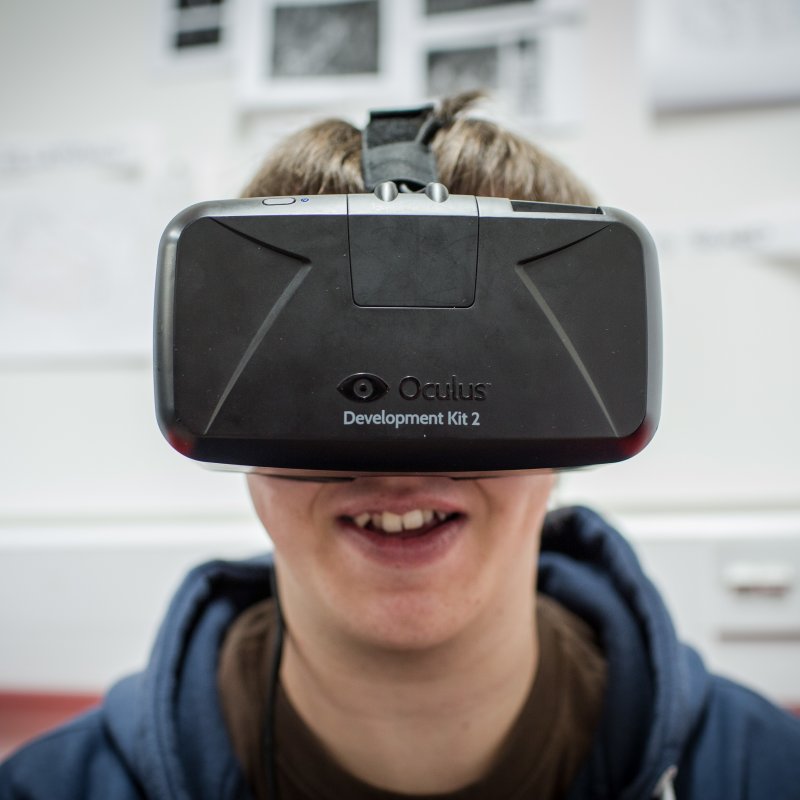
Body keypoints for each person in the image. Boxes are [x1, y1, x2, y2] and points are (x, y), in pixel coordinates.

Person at [2, 93, 799, 800]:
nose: (398, 462)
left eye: (470, 374)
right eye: (332, 369)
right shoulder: (52, 788)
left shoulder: (762, 771)